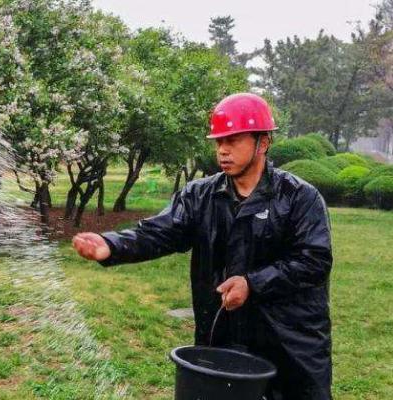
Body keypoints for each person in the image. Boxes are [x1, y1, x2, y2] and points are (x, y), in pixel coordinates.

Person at [72, 93, 333, 400]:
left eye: (234, 140)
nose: (222, 150)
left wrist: (253, 284)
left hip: (289, 342)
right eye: (219, 141)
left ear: (263, 143)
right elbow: (161, 231)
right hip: (223, 337)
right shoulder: (201, 196)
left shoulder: (299, 197)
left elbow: (313, 260)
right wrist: (112, 245)